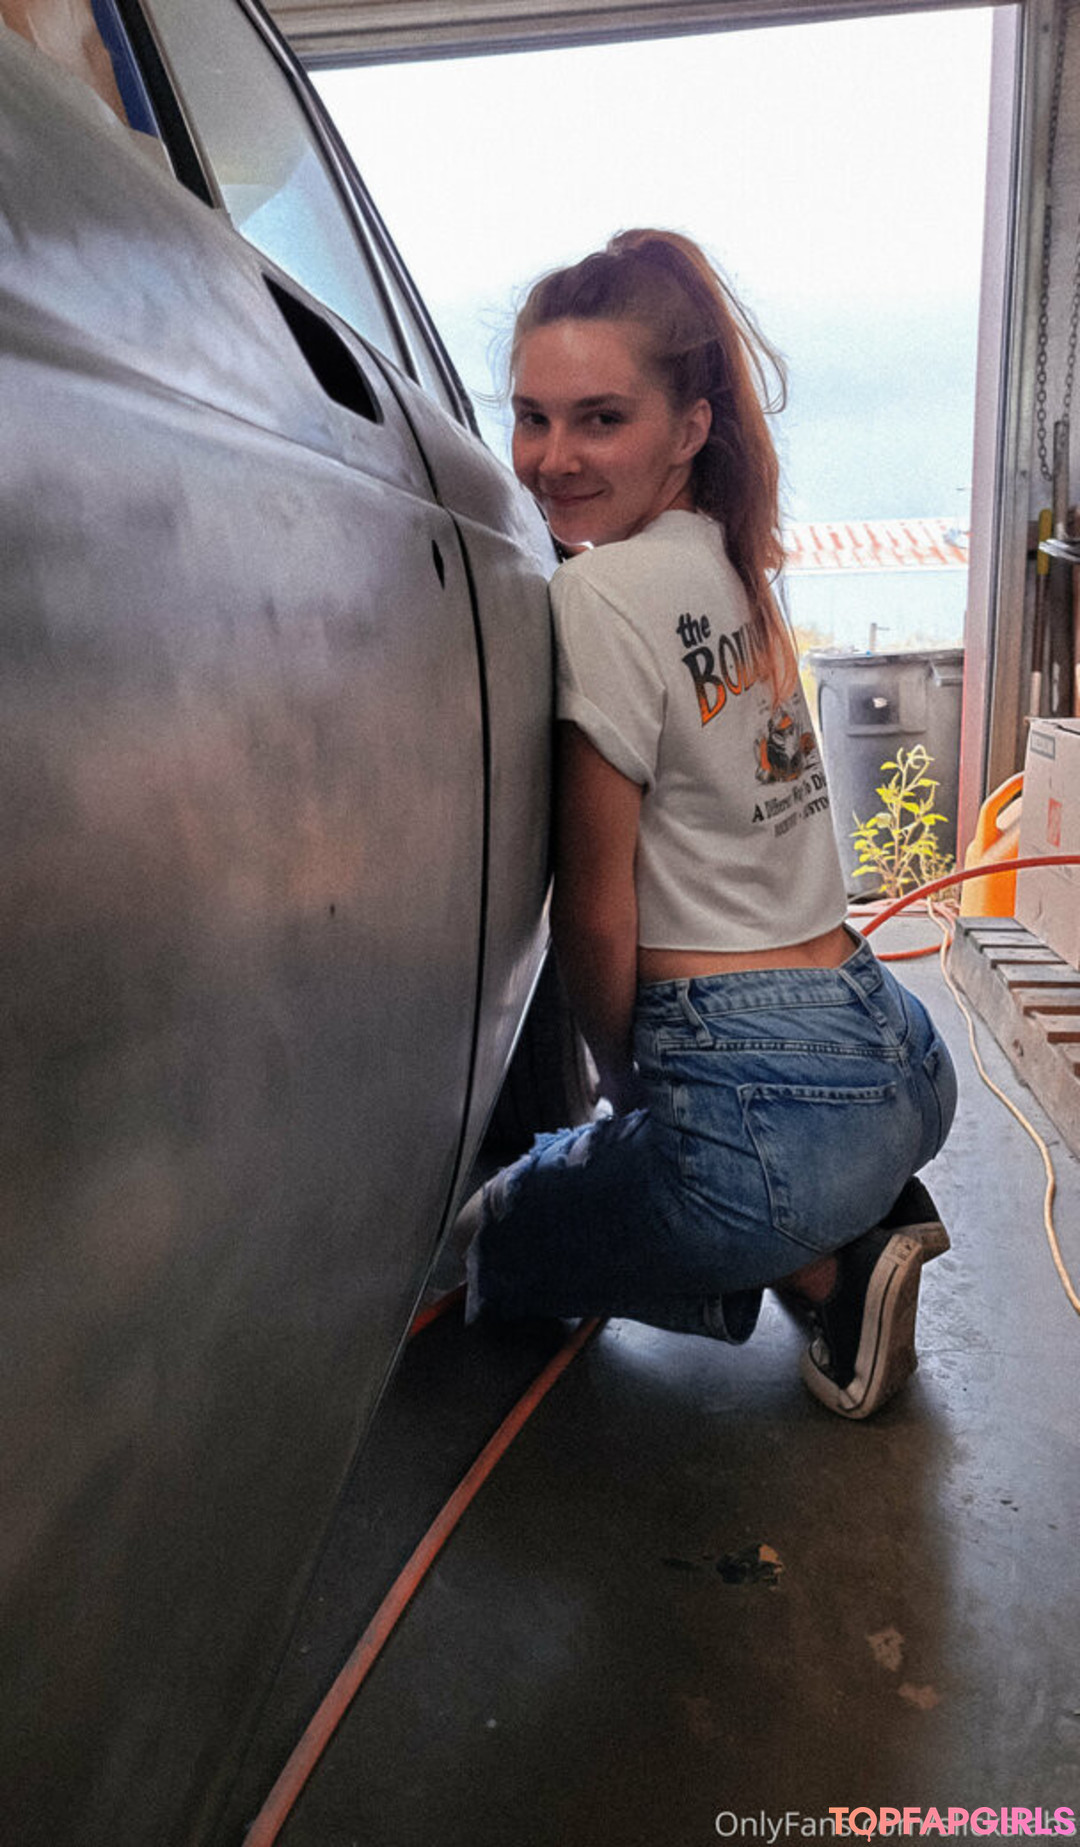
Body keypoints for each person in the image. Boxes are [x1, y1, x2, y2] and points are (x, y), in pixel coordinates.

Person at [457, 228, 957, 1420]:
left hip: (765, 1107)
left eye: (600, 419)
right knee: (678, 1170)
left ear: (689, 427)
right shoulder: (736, 563)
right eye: (531, 418)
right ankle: (856, 1200)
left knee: (498, 1235)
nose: (552, 459)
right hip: (897, 1049)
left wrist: (625, 1086)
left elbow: (595, 907)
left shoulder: (596, 591)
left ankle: (827, 1263)